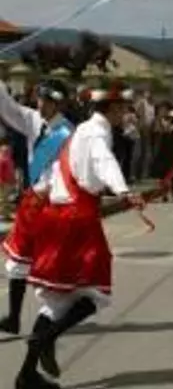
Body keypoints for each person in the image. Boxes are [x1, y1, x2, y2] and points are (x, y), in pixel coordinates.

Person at [13, 83, 145, 388]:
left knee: (57, 302)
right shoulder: (97, 134)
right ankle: (46, 338)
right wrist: (124, 191)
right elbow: (103, 161)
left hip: (59, 216)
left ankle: (27, 374)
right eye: (122, 108)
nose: (125, 114)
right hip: (76, 222)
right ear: (111, 109)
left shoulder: (80, 131)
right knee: (96, 293)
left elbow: (68, 174)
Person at [0, 80, 74, 336]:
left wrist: (51, 190)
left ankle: (52, 319)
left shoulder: (68, 132)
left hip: (54, 203)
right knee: (17, 261)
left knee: (52, 265)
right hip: (33, 202)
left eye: (47, 101)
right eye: (40, 99)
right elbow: (8, 108)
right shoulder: (33, 119)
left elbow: (68, 170)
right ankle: (14, 318)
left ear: (58, 104)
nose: (41, 105)